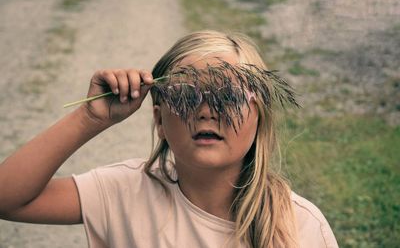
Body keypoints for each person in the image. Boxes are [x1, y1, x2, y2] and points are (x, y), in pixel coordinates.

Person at [0, 30, 339, 248]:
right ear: (160, 119)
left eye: (229, 96)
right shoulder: (123, 194)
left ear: (259, 116)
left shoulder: (299, 227)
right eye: (186, 95)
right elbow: (7, 198)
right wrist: (89, 118)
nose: (207, 111)